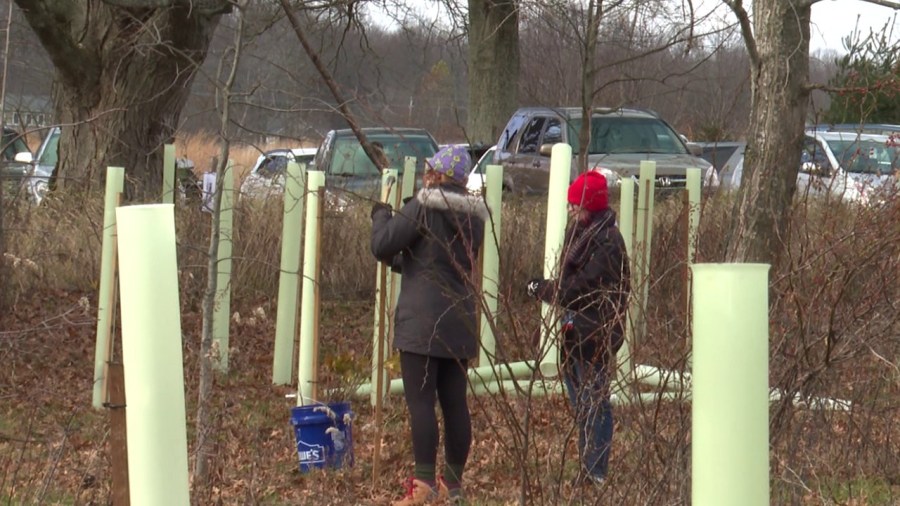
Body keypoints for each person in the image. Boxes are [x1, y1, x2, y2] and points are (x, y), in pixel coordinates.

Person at [370, 144, 488, 506]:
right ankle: (452, 486)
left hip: (421, 325)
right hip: (459, 320)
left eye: (430, 169)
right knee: (455, 404)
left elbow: (382, 244)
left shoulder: (423, 205)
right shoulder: (476, 218)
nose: (425, 174)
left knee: (420, 403)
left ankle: (421, 488)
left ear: (437, 174)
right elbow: (433, 262)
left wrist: (381, 214)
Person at [526, 170, 630, 485]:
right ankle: (588, 467)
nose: (571, 209)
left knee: (595, 401)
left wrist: (542, 289)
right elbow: (571, 284)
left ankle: (595, 471)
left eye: (576, 203)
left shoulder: (608, 241)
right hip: (575, 329)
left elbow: (582, 287)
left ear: (590, 205)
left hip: (596, 332)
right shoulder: (581, 233)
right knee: (580, 400)